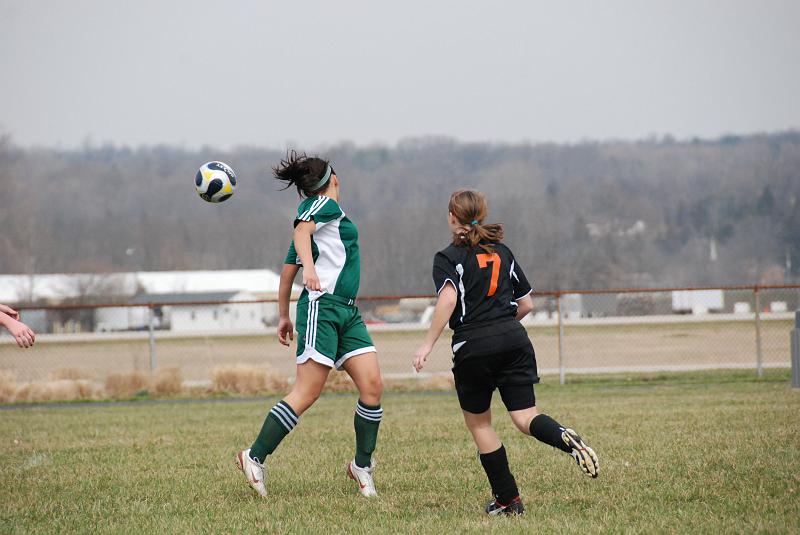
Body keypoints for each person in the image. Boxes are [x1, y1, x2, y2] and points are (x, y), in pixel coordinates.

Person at [412, 189, 598, 516]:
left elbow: (449, 300)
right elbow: (526, 304)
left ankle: (509, 500)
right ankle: (563, 436)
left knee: (481, 425)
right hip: (515, 339)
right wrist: (500, 326)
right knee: (526, 417)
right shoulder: (503, 252)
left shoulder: (447, 258)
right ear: (481, 215)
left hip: (473, 345)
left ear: (452, 217)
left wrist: (427, 344)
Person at [236, 151, 383, 498]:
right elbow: (301, 236)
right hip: (323, 309)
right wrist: (311, 270)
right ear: (334, 178)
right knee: (307, 392)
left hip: (348, 312)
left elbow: (287, 270)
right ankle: (254, 456)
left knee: (372, 387)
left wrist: (284, 314)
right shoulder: (320, 207)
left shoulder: (328, 219)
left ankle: (361, 466)